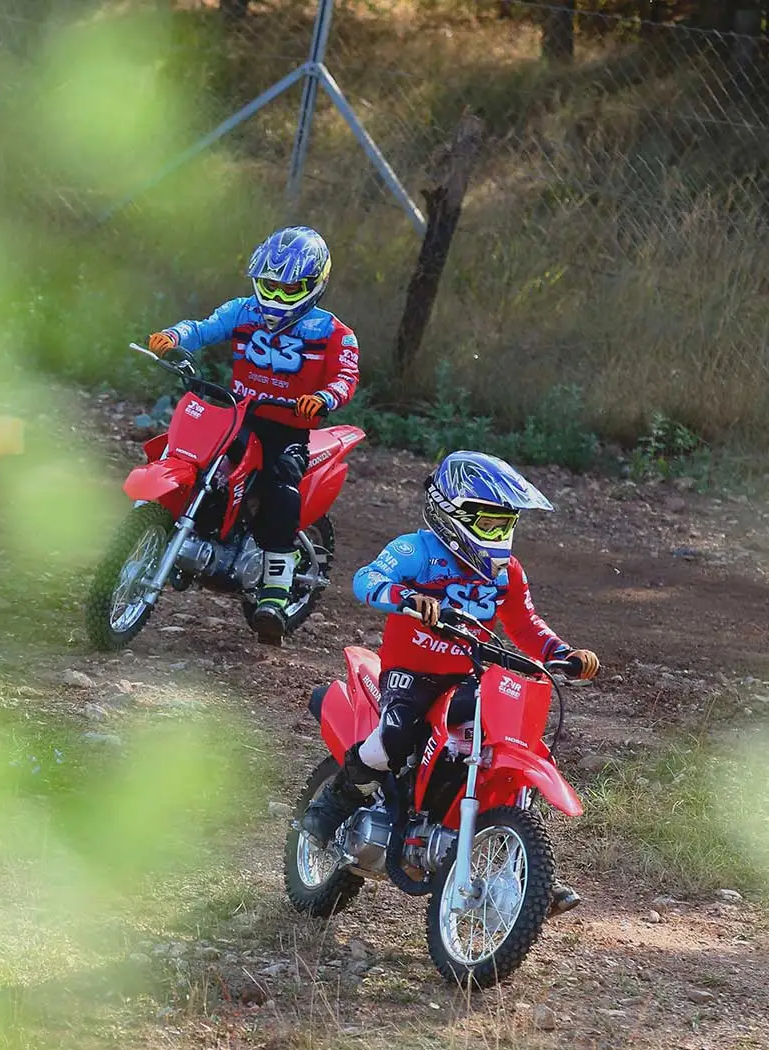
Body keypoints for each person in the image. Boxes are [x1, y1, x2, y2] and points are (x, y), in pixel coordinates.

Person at [302, 450, 600, 915]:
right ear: (451, 512)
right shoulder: (417, 550)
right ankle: (330, 807)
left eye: (506, 525)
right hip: (410, 673)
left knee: (519, 745)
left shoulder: (507, 573)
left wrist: (562, 655)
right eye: (489, 523)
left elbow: (525, 625)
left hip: (469, 675)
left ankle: (527, 872)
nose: (500, 535)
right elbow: (366, 579)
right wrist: (407, 597)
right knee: (395, 739)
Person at [148, 225, 359, 645]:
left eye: (289, 289)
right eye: (268, 286)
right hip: (240, 413)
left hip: (288, 425)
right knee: (198, 454)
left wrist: (323, 398)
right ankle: (188, 528)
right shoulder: (242, 311)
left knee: (282, 483)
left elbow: (346, 376)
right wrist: (175, 336)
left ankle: (277, 590)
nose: (276, 298)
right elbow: (205, 327)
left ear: (313, 286)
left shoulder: (333, 333)